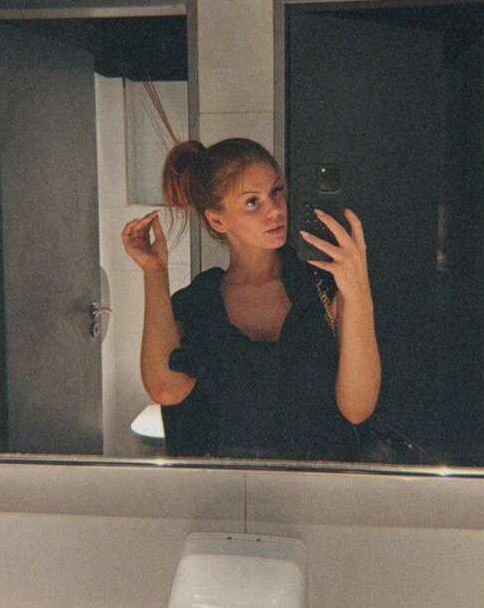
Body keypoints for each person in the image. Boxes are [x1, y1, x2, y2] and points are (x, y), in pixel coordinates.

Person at [122, 138, 381, 460]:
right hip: (226, 488)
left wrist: (357, 289)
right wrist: (154, 272)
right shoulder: (199, 304)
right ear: (217, 220)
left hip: (319, 485)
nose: (275, 210)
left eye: (277, 191)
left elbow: (358, 408)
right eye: (252, 202)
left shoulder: (323, 288)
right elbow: (165, 389)